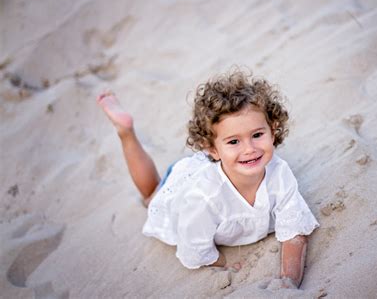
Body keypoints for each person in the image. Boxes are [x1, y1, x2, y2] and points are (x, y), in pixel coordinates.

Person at [96, 70, 319, 288]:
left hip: (211, 169)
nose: (249, 149)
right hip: (182, 184)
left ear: (273, 130)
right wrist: (223, 261)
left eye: (257, 135)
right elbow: (194, 247)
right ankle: (126, 132)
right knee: (151, 195)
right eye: (234, 142)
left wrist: (289, 280)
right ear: (212, 149)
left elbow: (294, 231)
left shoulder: (279, 173)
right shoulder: (202, 199)